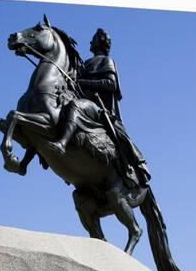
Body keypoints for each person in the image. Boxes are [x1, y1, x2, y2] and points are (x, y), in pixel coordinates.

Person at [49, 28, 151, 187]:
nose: (90, 42)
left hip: (100, 108)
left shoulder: (106, 61)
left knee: (118, 133)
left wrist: (84, 83)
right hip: (86, 104)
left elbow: (111, 84)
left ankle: (138, 162)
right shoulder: (87, 63)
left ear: (101, 42)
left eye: (93, 39)